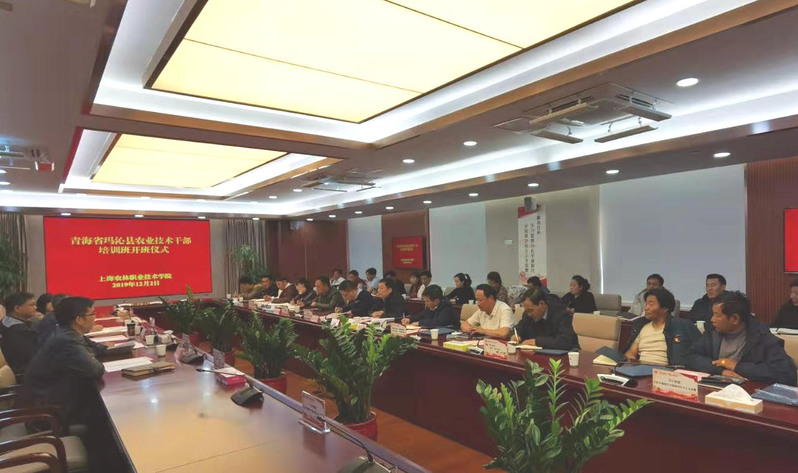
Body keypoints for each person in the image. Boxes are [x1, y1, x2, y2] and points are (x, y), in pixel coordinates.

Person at [19, 297, 107, 428]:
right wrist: (91, 356)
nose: (95, 317)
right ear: (79, 319)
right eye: (92, 313)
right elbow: (95, 369)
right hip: (50, 412)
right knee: (104, 412)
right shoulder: (67, 340)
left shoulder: (66, 332)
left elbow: (96, 349)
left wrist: (90, 354)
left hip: (53, 400)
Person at [688, 291, 797, 386]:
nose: (712, 319)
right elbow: (691, 356)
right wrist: (721, 371)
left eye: (717, 315)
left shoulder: (761, 337)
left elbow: (786, 373)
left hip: (749, 394)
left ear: (735, 319)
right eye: (713, 314)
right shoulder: (713, 331)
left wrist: (737, 366)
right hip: (715, 388)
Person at [623, 288, 700, 366]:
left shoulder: (680, 326)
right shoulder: (643, 327)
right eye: (646, 304)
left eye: (651, 304)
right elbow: (630, 353)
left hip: (666, 370)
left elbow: (699, 351)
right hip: (641, 369)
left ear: (665, 308)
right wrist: (634, 366)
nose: (646, 308)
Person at [512, 289, 578, 350]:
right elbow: (520, 327)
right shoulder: (527, 315)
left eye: (530, 310)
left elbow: (565, 341)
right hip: (538, 354)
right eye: (526, 311)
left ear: (541, 303)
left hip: (566, 355)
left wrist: (537, 342)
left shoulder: (561, 314)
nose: (529, 314)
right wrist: (516, 335)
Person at [1, 293, 40, 374]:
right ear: (17, 308)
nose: (35, 308)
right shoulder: (20, 332)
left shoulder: (4, 324)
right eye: (31, 305)